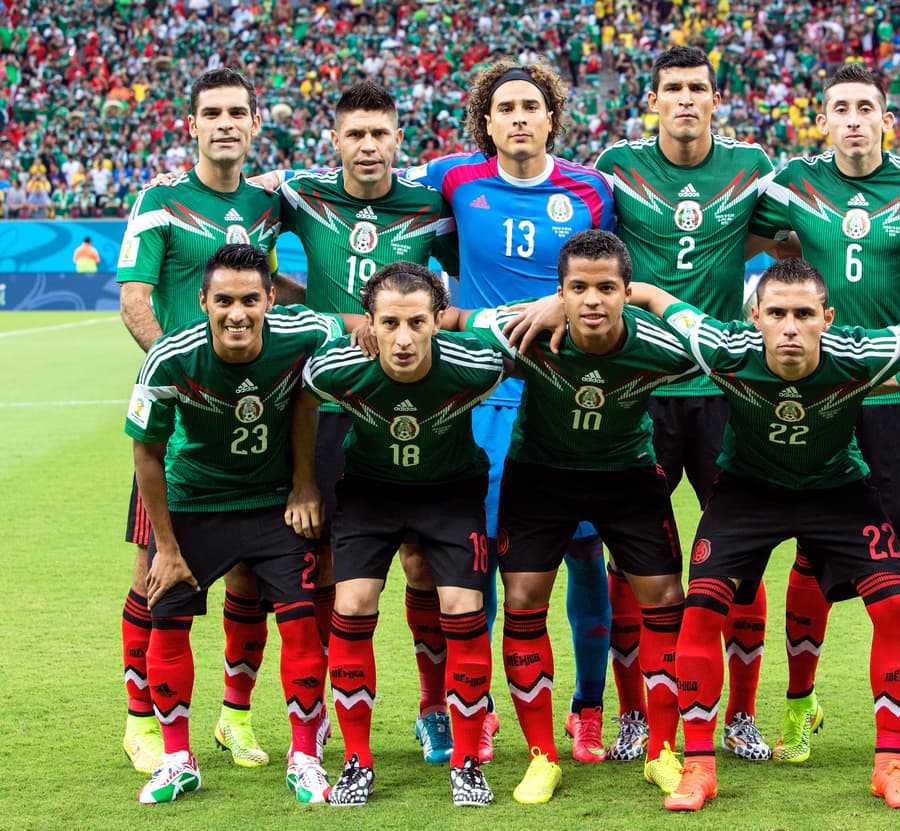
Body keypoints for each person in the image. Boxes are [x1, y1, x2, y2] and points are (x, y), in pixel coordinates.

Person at [628, 258, 900, 812]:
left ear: (828, 317)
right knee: (700, 609)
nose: (790, 326)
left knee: (895, 607)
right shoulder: (724, 348)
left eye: (803, 313)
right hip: (748, 492)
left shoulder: (861, 355)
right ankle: (699, 766)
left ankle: (890, 765)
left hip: (838, 490)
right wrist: (583, 297)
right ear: (756, 318)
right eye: (776, 313)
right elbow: (659, 301)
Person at [752, 63, 900, 763]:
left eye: (866, 107)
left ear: (887, 120)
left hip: (898, 397)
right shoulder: (794, 182)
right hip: (823, 397)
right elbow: (751, 243)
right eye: (840, 108)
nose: (853, 118)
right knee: (811, 550)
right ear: (821, 120)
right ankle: (799, 705)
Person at [408, 60, 617, 761]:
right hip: (486, 398)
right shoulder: (453, 179)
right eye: (506, 107)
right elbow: (366, 186)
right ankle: (482, 703)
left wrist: (562, 301)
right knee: (484, 558)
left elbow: (612, 274)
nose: (520, 117)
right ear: (487, 120)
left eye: (532, 105)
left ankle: (588, 707)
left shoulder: (592, 189)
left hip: (568, 398)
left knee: (586, 555)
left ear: (552, 116)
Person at [592, 45, 780, 763]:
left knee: (744, 552)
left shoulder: (750, 166)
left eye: (697, 87)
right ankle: (635, 715)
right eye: (672, 87)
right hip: (641, 389)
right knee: (630, 555)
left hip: (725, 388)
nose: (685, 99)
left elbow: (784, 231)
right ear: (653, 99)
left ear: (714, 97)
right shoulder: (618, 164)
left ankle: (739, 714)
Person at [115, 67, 303, 775]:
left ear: (256, 124)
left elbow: (273, 286)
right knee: (156, 571)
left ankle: (235, 715)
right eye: (212, 113)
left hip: (260, 419)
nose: (226, 123)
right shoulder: (160, 201)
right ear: (190, 124)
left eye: (238, 113)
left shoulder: (268, 204)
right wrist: (188, 374)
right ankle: (140, 720)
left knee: (253, 574)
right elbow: (135, 299)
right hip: (183, 421)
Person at [462, 230, 692, 803]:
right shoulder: (526, 333)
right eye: (578, 288)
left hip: (628, 477)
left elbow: (721, 344)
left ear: (626, 291)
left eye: (606, 288)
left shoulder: (661, 346)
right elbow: (452, 320)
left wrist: (659, 298)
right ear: (558, 291)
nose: (592, 300)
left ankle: (662, 751)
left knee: (665, 598)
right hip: (540, 477)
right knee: (521, 602)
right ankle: (542, 757)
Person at [276, 80, 458, 766]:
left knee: (419, 560)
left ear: (398, 137)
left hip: (413, 404)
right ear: (335, 141)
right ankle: (321, 711)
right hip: (328, 407)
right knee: (324, 563)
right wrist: (304, 304)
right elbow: (251, 206)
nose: (368, 145)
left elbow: (467, 281)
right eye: (355, 133)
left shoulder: (428, 207)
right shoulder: (303, 196)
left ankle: (434, 708)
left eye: (380, 132)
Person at [125, 244, 335, 805]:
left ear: (271, 298)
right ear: (203, 302)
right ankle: (176, 759)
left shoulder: (306, 334)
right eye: (223, 301)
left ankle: (305, 757)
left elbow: (358, 335)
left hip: (271, 503)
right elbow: (146, 453)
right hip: (194, 503)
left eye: (249, 299)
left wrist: (304, 483)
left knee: (301, 624)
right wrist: (164, 547)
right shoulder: (169, 358)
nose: (236, 313)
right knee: (167, 622)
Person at [298, 262, 503, 807]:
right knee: (354, 601)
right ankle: (357, 762)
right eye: (389, 323)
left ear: (439, 320)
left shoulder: (479, 366)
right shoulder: (336, 370)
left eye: (417, 322)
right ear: (368, 323)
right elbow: (300, 397)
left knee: (462, 606)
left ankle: (465, 763)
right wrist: (301, 485)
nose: (404, 338)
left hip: (450, 493)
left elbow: (523, 342)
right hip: (371, 494)